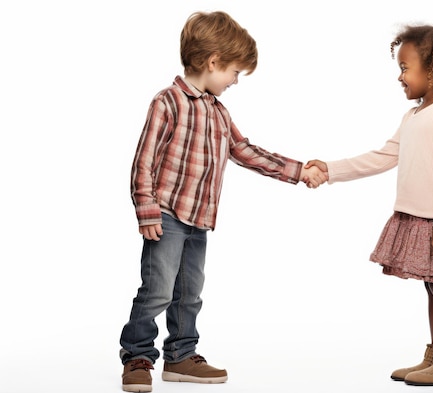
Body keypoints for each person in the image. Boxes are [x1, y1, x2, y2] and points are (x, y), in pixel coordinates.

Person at [119, 10, 326, 393]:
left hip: (199, 219)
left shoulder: (218, 111)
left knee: (189, 293)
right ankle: (137, 356)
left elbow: (245, 151)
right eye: (234, 72)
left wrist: (298, 171)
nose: (234, 81)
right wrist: (147, 211)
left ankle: (181, 356)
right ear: (213, 61)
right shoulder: (168, 103)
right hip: (165, 215)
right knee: (158, 290)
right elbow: (143, 162)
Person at [305, 24, 433, 386]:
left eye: (406, 68)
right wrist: (330, 170)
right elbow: (382, 156)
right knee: (431, 284)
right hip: (417, 217)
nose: (400, 76)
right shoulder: (412, 117)